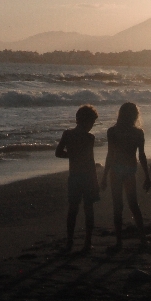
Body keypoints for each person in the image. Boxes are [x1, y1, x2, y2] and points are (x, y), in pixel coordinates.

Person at [100, 102, 151, 251]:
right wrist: (147, 176)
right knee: (133, 204)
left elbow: (110, 155)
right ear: (135, 116)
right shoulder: (138, 133)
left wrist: (104, 176)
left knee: (118, 206)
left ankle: (119, 241)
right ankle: (142, 239)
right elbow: (141, 155)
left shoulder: (112, 131)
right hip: (129, 169)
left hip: (115, 170)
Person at [55, 104, 100, 253]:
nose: (92, 126)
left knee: (72, 209)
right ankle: (87, 242)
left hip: (74, 176)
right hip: (87, 176)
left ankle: (70, 241)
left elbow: (58, 153)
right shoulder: (89, 137)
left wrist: (71, 155)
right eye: (92, 122)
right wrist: (95, 180)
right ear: (87, 121)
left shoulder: (67, 134)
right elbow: (90, 160)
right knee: (88, 209)